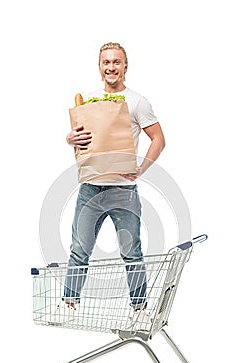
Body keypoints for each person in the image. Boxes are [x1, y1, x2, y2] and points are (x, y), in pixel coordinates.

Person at [62, 42, 166, 322]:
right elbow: (78, 138)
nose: (111, 67)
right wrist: (69, 138)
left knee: (132, 253)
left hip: (123, 190)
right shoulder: (87, 102)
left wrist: (141, 169)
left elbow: (159, 139)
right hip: (90, 189)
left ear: (125, 66)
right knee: (79, 250)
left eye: (116, 62)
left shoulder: (137, 101)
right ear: (99, 67)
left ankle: (139, 309)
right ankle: (69, 305)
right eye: (106, 62)